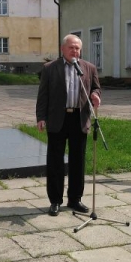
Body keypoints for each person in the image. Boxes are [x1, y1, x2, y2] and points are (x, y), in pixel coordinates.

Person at [36, 34, 102, 216]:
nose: (75, 51)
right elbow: (43, 95)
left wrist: (96, 95)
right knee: (55, 161)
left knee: (77, 161)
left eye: (77, 48)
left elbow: (96, 87)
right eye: (71, 47)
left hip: (79, 119)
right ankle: (55, 201)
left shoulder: (88, 68)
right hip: (58, 118)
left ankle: (75, 199)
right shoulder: (50, 68)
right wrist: (41, 117)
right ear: (62, 49)